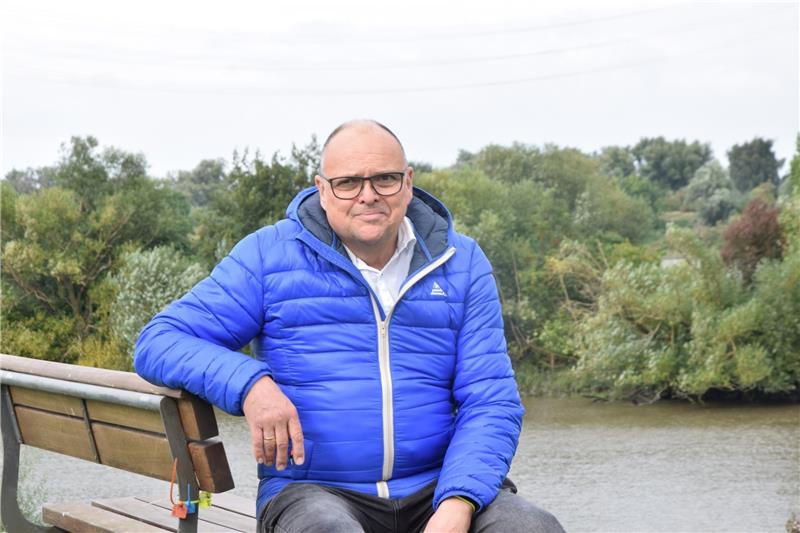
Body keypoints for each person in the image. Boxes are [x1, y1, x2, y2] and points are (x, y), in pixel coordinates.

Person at [134, 119, 565, 533]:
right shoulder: (268, 256)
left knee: (532, 527)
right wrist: (251, 384)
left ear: (408, 181)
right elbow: (160, 341)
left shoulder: (462, 263)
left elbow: (491, 401)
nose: (368, 195)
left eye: (385, 179)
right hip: (315, 493)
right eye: (348, 183)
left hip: (438, 488)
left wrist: (458, 504)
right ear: (322, 189)